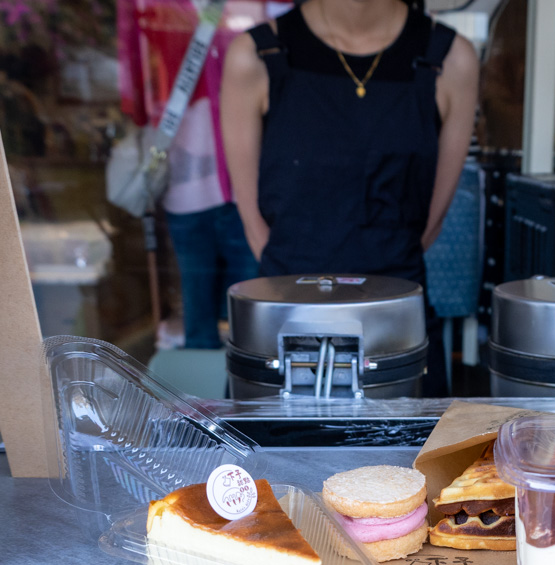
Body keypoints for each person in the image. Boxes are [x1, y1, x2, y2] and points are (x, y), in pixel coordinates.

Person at [220, 0, 479, 395]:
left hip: (397, 340)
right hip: (284, 338)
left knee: (403, 458)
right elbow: (255, 224)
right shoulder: (256, 55)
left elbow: (430, 223)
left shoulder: (449, 58)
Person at [118, 0, 288, 349]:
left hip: (249, 187)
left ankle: (247, 394)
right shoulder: (152, 7)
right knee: (198, 312)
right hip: (185, 186)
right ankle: (200, 404)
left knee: (254, 318)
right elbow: (134, 91)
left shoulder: (253, 6)